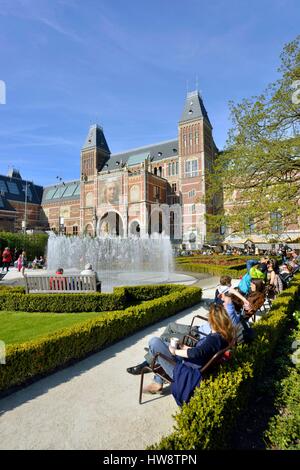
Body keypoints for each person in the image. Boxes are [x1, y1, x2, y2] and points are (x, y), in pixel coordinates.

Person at [142, 303, 236, 398]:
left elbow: (196, 353)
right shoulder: (222, 337)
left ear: (212, 321)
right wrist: (183, 347)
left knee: (154, 342)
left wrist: (175, 351)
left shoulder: (214, 339)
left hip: (185, 371)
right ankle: (157, 377)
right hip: (192, 364)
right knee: (163, 344)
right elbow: (202, 350)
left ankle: (154, 372)